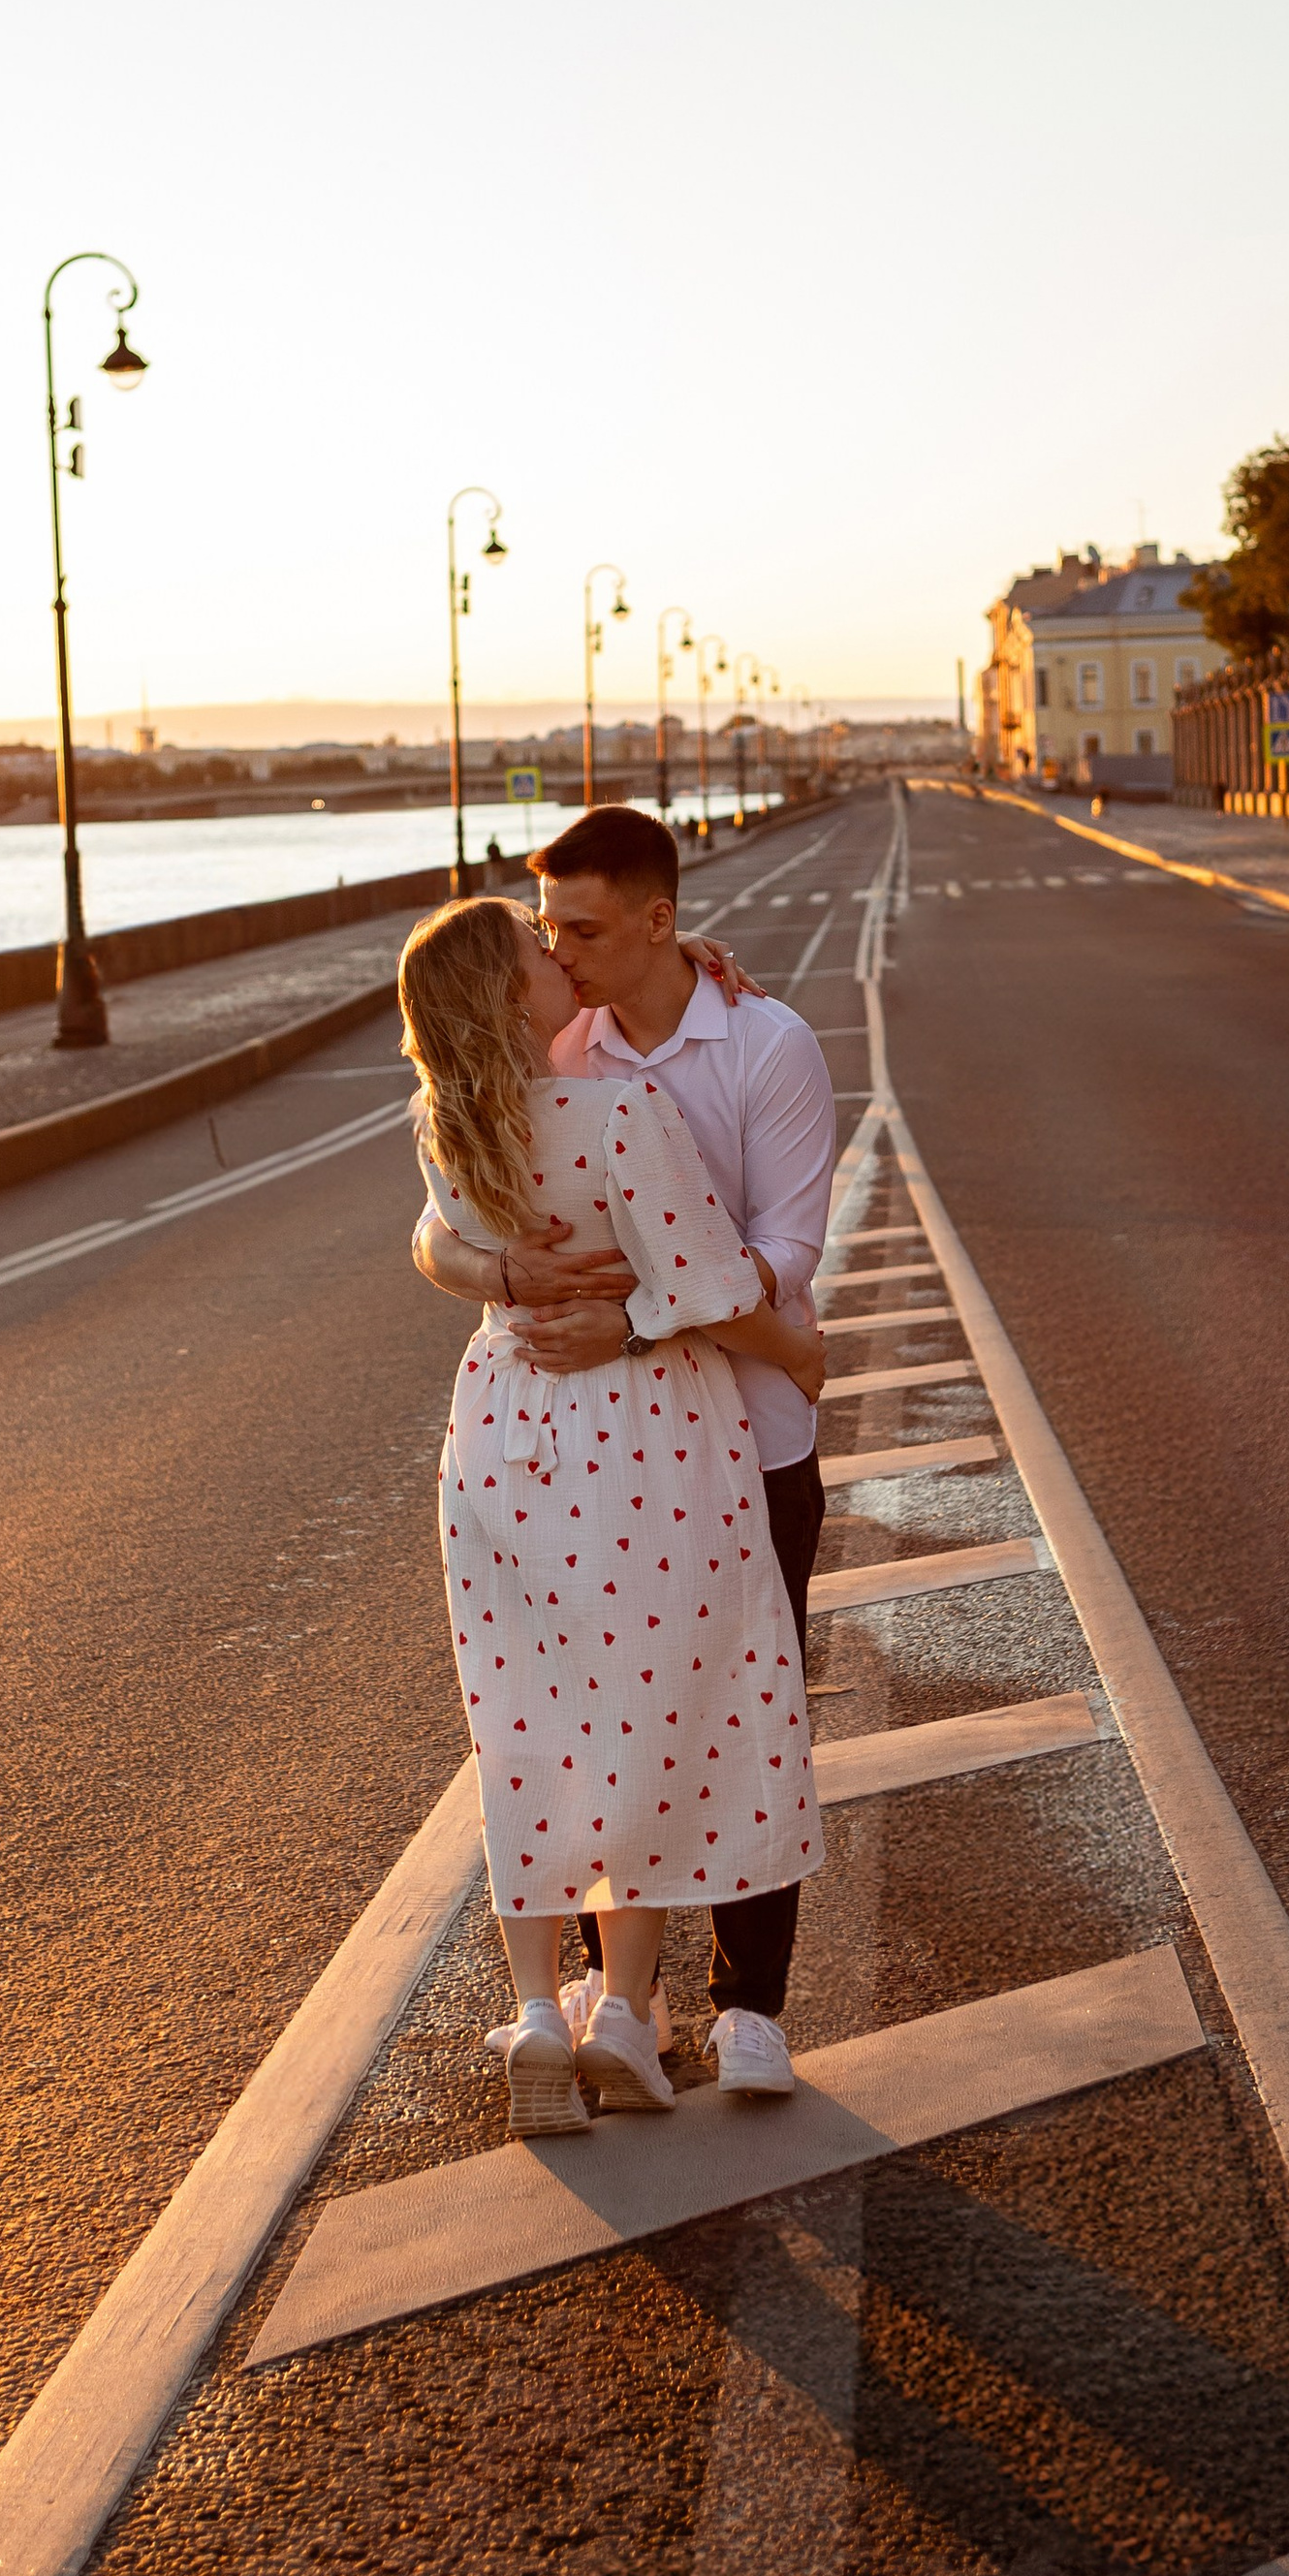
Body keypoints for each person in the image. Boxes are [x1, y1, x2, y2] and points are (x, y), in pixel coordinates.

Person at [414, 805, 839, 2097]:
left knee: (738, 1706)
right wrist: (506, 1275)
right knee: (635, 1711)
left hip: (737, 1434)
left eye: (582, 931)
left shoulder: (767, 1043)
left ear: (660, 923)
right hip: (633, 1437)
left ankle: (743, 2007)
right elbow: (432, 1230)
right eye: (546, 934)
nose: (561, 953)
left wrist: (640, 1318)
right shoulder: (567, 1050)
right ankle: (626, 2004)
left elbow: (788, 1249)